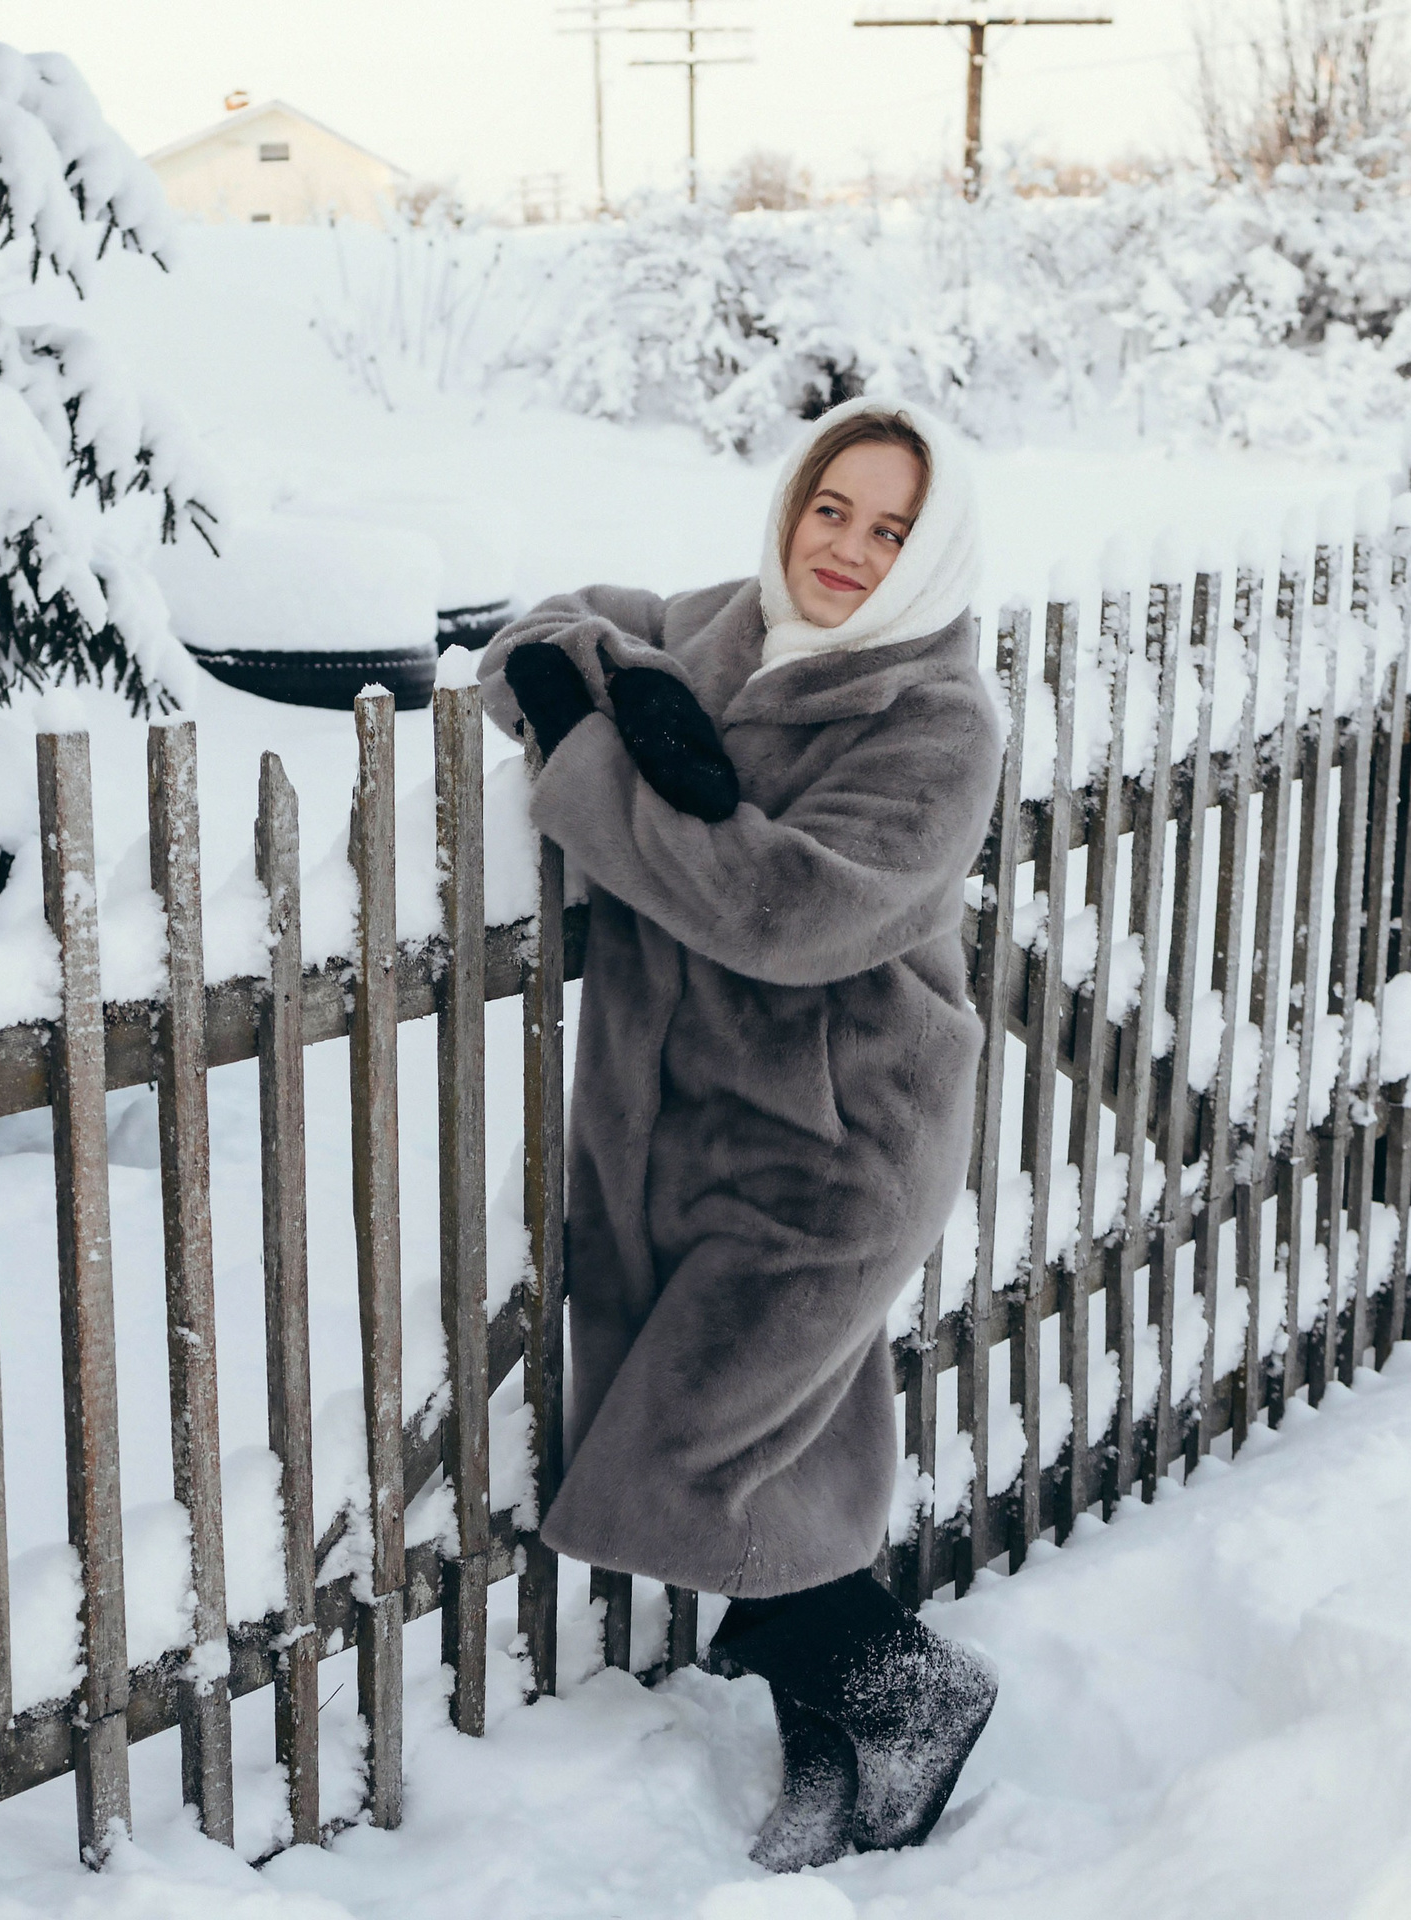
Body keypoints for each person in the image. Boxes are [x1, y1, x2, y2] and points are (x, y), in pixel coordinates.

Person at [479, 396, 1006, 1874]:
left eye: (890, 528)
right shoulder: (722, 626)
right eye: (830, 508)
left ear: (931, 550)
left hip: (842, 1147)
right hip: (693, 1134)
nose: (846, 549)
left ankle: (918, 1692)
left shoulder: (935, 720)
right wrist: (592, 681)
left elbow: (780, 916)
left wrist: (597, 770)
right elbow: (542, 630)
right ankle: (841, 1761)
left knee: (683, 1468)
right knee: (789, 1469)